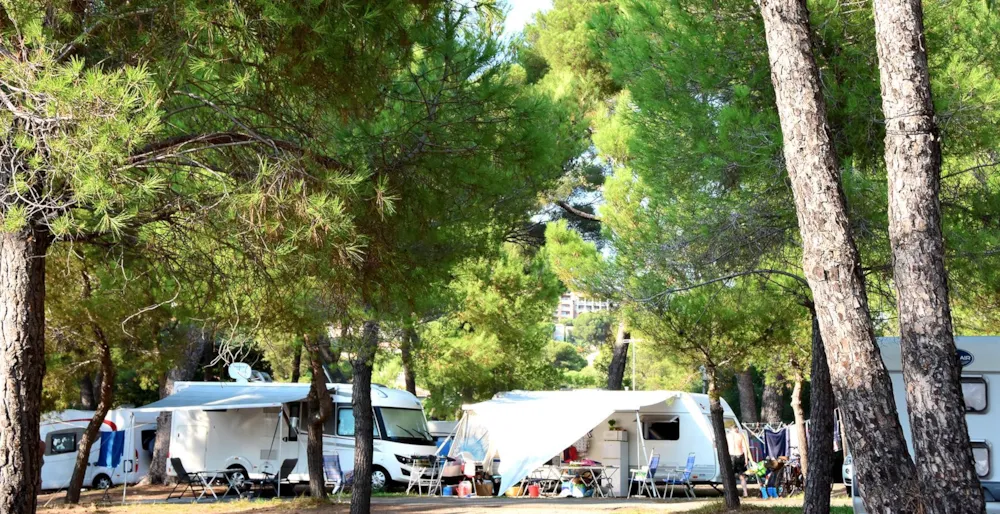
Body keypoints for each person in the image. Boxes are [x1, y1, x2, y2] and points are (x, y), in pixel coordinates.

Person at [726, 424, 749, 497]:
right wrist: (746, 458)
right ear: (736, 429)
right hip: (740, 455)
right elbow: (744, 447)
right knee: (742, 476)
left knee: (731, 476)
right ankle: (745, 492)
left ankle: (732, 493)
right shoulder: (740, 436)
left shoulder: (728, 436)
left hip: (732, 456)